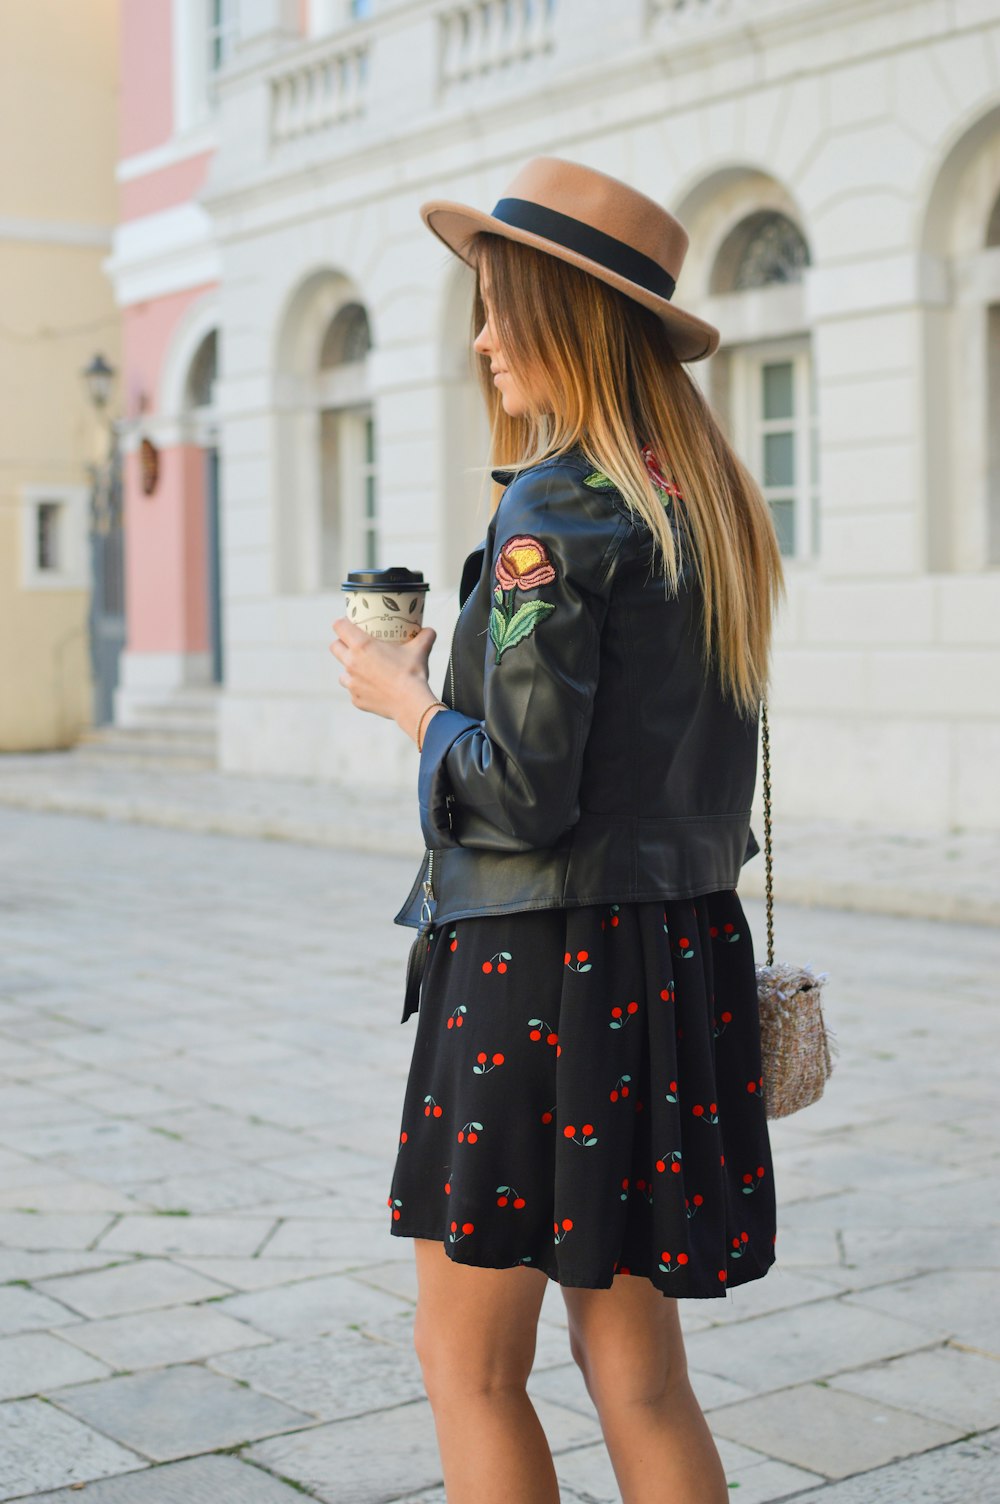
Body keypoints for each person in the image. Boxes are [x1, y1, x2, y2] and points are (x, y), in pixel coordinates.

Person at [330, 156, 784, 1504]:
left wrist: (406, 701)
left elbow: (522, 792)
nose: (481, 337)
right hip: (672, 962)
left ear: (566, 321)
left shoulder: (552, 516)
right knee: (638, 1374)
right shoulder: (700, 500)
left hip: (546, 967)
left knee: (467, 1365)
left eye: (498, 306)